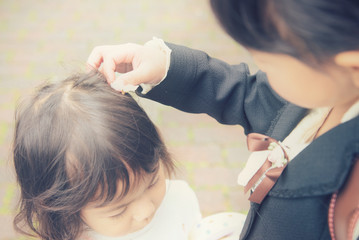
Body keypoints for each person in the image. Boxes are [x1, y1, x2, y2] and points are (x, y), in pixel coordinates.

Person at [86, 0, 359, 239]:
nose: (262, 72)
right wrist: (165, 67)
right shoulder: (326, 91)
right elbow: (249, 94)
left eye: (268, 63)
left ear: (352, 66)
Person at [12, 71, 202, 240]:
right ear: (65, 210)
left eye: (152, 182)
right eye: (118, 211)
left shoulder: (180, 199)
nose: (146, 211)